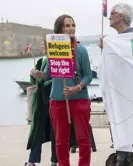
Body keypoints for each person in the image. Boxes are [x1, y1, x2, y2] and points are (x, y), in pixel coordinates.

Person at [31, 14, 93, 166]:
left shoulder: (82, 50)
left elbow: (88, 76)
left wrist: (77, 88)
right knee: (60, 141)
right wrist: (39, 74)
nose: (71, 28)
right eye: (67, 25)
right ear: (59, 29)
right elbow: (49, 75)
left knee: (83, 140)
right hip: (58, 101)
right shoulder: (53, 51)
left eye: (73, 25)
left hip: (79, 100)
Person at [99, 3, 133, 166]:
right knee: (122, 148)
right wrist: (105, 50)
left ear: (120, 16)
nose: (109, 17)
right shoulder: (116, 40)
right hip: (120, 99)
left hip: (132, 99)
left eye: (112, 14)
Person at [25, 40, 57, 166]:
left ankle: (55, 161)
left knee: (55, 132)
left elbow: (55, 80)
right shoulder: (42, 61)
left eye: (44, 45)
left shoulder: (55, 61)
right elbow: (34, 81)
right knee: (37, 131)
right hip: (41, 103)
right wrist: (33, 75)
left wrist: (42, 80)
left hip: (53, 100)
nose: (43, 47)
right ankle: (32, 161)